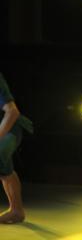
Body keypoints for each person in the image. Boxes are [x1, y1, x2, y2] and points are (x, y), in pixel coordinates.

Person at [0, 72, 33, 224]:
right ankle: (16, 210)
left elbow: (12, 112)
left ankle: (16, 210)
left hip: (9, 126)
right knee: (4, 166)